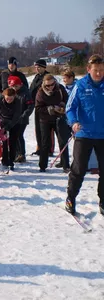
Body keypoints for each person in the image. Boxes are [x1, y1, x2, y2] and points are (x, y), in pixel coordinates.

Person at [65, 54, 104, 215]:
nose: (99, 73)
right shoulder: (80, 86)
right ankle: (71, 198)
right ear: (89, 69)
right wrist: (73, 122)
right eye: (96, 70)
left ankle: (103, 200)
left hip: (102, 136)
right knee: (79, 169)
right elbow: (70, 108)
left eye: (102, 70)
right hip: (84, 134)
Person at [35, 74, 70, 173]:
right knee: (45, 143)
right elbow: (38, 108)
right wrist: (49, 109)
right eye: (48, 85)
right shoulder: (40, 92)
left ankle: (65, 165)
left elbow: (67, 101)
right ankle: (42, 165)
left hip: (59, 118)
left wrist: (62, 107)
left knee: (62, 141)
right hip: (45, 120)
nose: (50, 87)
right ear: (44, 85)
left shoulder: (60, 89)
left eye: (52, 84)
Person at [7, 76, 34, 163]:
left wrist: (24, 115)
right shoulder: (12, 92)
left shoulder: (25, 93)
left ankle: (21, 154)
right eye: (12, 86)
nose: (14, 88)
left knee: (19, 135)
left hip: (22, 119)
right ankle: (15, 153)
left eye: (16, 86)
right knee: (13, 136)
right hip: (13, 118)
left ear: (20, 85)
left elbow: (30, 106)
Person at [30, 59, 54, 156]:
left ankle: (49, 149)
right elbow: (31, 90)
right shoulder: (36, 77)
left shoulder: (48, 78)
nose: (37, 68)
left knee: (47, 130)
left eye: (39, 67)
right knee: (39, 129)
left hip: (46, 107)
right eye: (36, 67)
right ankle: (40, 148)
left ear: (44, 67)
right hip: (37, 106)